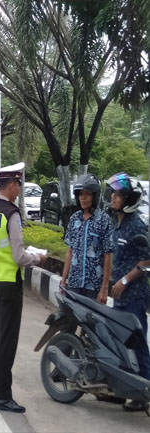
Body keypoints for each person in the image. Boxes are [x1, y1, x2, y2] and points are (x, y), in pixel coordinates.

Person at [0, 162, 47, 413]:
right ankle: (2, 396)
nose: (18, 191)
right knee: (7, 340)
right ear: (11, 185)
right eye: (18, 186)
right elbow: (19, 256)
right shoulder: (11, 214)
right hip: (10, 282)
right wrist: (38, 259)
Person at [105, 172, 150, 412]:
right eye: (113, 193)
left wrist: (123, 281)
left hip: (135, 298)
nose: (113, 198)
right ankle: (123, 390)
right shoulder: (117, 223)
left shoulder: (137, 226)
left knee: (138, 343)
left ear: (129, 199)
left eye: (118, 195)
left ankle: (145, 392)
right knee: (120, 343)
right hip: (120, 297)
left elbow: (147, 262)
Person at [61, 174, 112, 303]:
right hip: (74, 283)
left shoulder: (103, 220)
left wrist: (105, 288)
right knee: (68, 320)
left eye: (87, 194)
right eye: (80, 194)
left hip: (94, 286)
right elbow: (70, 252)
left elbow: (108, 255)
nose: (83, 198)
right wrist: (63, 280)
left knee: (91, 322)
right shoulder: (74, 219)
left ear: (94, 196)